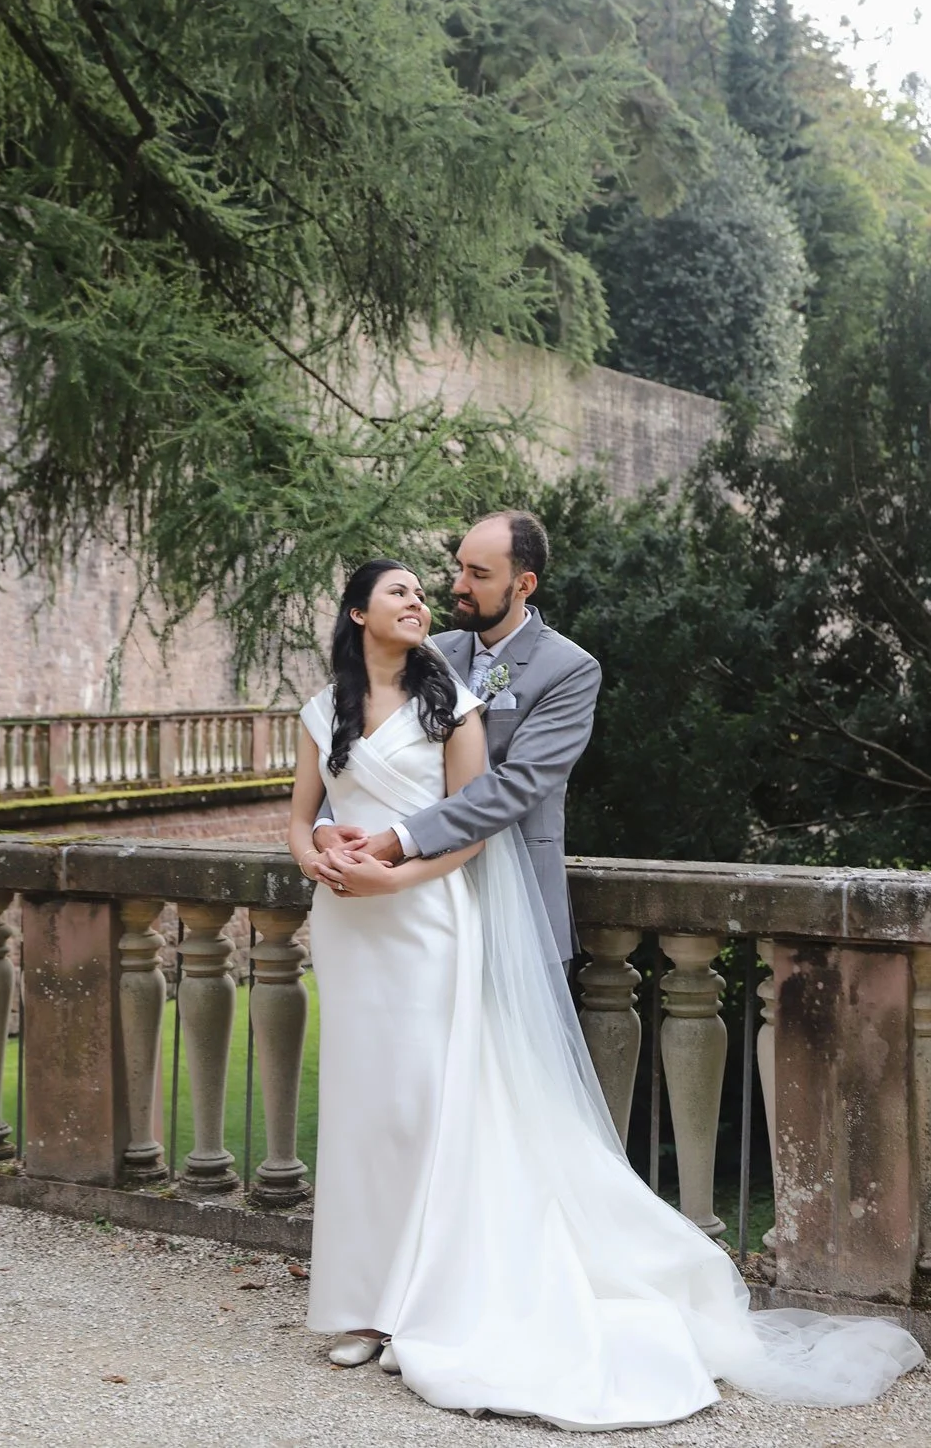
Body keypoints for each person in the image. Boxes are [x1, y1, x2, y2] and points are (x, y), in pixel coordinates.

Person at [288, 557, 923, 1430]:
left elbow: (479, 824)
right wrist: (319, 849)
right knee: (362, 1110)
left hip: (426, 919)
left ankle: (421, 1299)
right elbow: (300, 811)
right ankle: (360, 1303)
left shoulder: (451, 701)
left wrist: (395, 876)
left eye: (442, 584)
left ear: (526, 579)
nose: (425, 598)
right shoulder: (324, 707)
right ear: (358, 612)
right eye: (402, 590)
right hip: (348, 928)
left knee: (432, 1106)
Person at [311, 511, 601, 964]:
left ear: (523, 585)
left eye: (478, 574)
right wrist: (328, 827)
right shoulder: (427, 650)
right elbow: (368, 750)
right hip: (418, 906)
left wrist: (396, 840)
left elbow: (517, 785)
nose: (458, 585)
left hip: (516, 902)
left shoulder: (570, 669)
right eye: (460, 567)